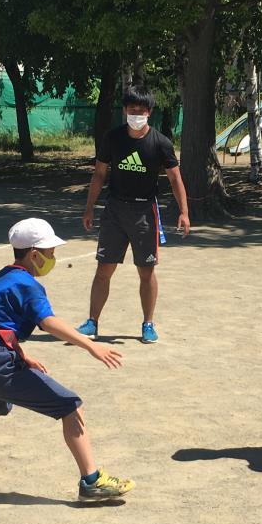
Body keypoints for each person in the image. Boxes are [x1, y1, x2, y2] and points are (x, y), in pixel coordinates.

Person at [0, 218, 135, 502]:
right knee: (70, 405)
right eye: (50, 253)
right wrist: (89, 345)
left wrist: (22, 355)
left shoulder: (1, 276)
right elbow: (48, 322)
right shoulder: (28, 284)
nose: (52, 259)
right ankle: (91, 481)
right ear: (34, 254)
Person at [78, 86, 191, 344]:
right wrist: (89, 208)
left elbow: (175, 179)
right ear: (125, 111)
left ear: (149, 112)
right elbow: (99, 174)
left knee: (146, 271)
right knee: (103, 269)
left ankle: (147, 324)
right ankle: (92, 321)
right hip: (114, 210)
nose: (136, 115)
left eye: (140, 111)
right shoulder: (113, 138)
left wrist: (184, 212)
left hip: (144, 213)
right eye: (131, 111)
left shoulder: (160, 143)